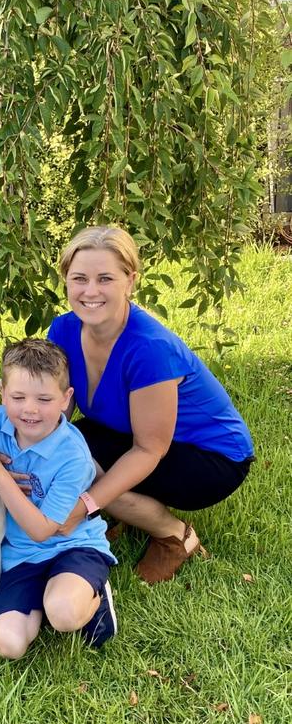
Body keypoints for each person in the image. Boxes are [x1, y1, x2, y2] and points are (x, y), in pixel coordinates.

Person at [47, 226, 254, 584]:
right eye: (79, 278)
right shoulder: (63, 331)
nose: (90, 291)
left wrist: (86, 504)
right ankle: (129, 511)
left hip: (211, 457)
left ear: (130, 281)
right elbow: (58, 413)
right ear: (66, 281)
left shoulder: (149, 348)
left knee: (88, 472)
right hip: (141, 433)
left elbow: (148, 450)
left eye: (105, 279)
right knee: (66, 452)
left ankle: (174, 535)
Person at [0, 339, 118, 659]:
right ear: (2, 395)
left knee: (64, 614)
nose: (29, 409)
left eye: (44, 399)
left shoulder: (73, 456)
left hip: (71, 546)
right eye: (18, 397)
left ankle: (94, 598)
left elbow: (42, 530)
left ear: (66, 400)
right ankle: (45, 598)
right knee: (8, 645)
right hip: (19, 555)